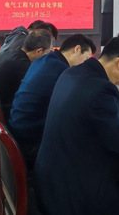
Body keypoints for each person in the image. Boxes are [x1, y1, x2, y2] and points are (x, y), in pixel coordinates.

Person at [35, 33, 119, 215]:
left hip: (52, 181)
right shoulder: (102, 89)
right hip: (76, 195)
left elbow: (88, 109)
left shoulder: (72, 72)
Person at [9, 34, 96, 169]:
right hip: (32, 143)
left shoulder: (45, 60)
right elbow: (82, 108)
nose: (85, 65)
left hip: (18, 131)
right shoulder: (63, 71)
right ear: (77, 49)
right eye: (85, 59)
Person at [0, 29, 54, 120]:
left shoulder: (12, 53)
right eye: (48, 53)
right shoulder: (23, 66)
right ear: (39, 51)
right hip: (4, 112)